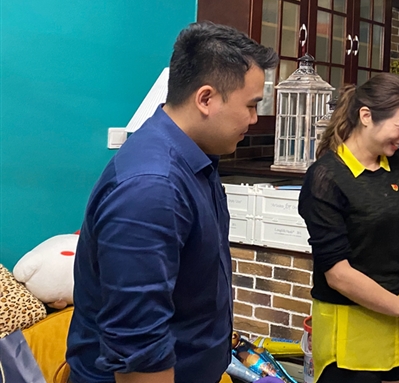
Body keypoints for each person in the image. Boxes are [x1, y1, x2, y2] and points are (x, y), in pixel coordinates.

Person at [67, 22, 278, 383]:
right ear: (206, 99)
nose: (254, 119)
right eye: (251, 105)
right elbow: (139, 350)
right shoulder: (153, 188)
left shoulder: (197, 159)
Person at [298, 73, 399, 383]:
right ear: (366, 116)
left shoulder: (398, 164)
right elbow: (338, 274)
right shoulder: (326, 178)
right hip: (352, 328)